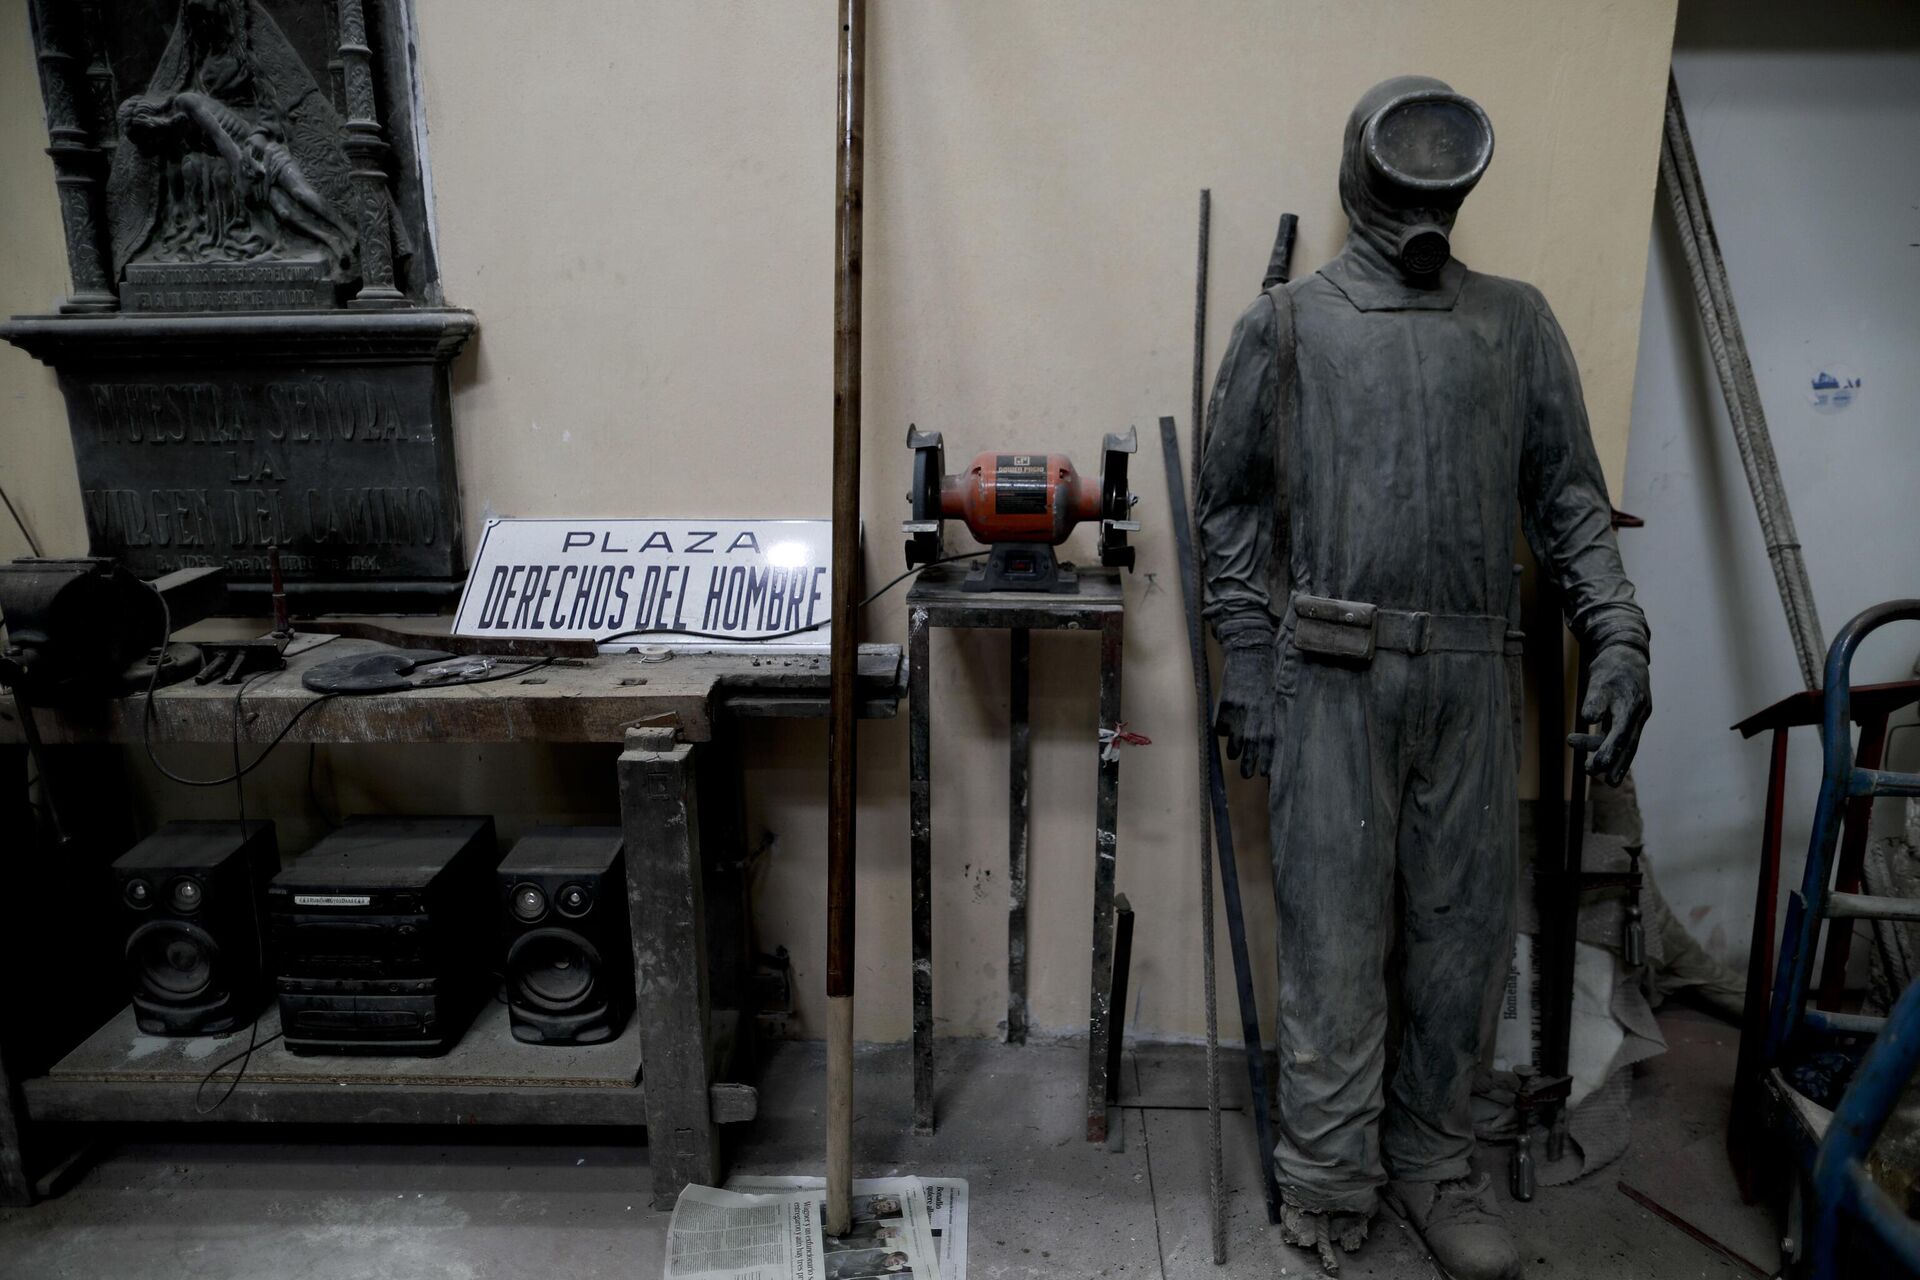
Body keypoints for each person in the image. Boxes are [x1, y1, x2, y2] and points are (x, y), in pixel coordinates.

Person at [1196, 76, 1651, 1280]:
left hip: (1470, 675)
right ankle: (1330, 1175)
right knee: (1337, 943)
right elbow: (1231, 511)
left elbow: (1567, 499)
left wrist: (1620, 636)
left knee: (1457, 947)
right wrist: (1245, 653)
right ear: (1364, 171)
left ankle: (1432, 1163)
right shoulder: (1286, 326)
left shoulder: (1515, 322)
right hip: (1331, 674)